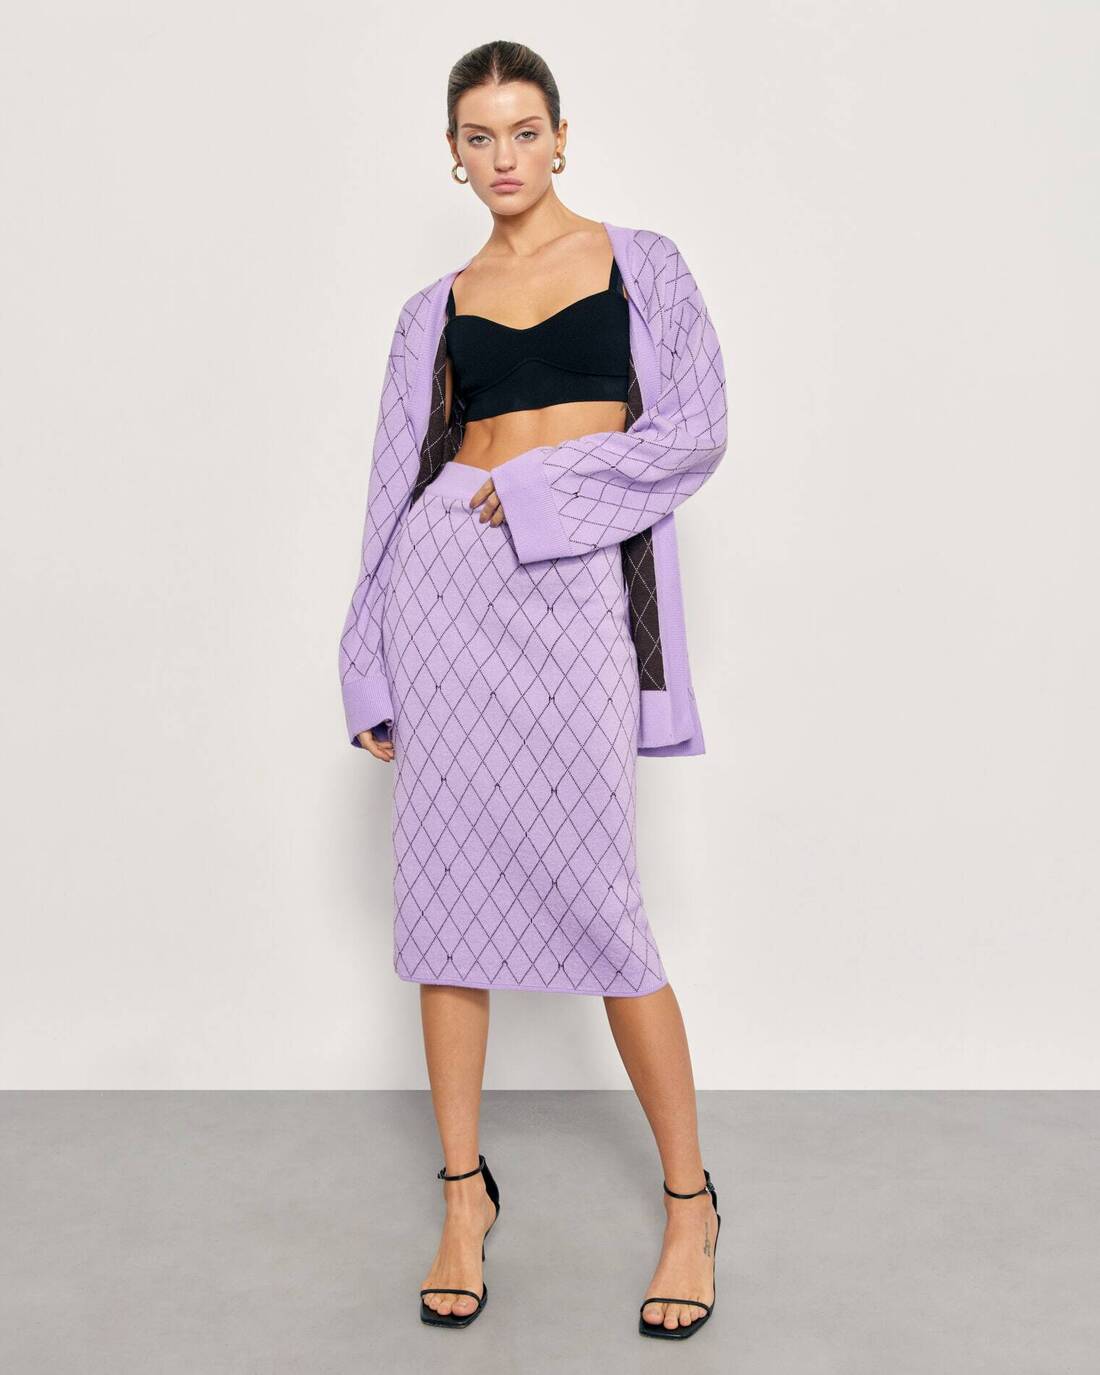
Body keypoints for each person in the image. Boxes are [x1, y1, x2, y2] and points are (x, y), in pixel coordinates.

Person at [337, 40, 728, 1338]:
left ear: (563, 136)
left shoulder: (642, 265)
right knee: (446, 901)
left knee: (606, 905)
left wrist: (549, 488)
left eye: (523, 130)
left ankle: (689, 1205)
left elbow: (694, 433)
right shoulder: (433, 308)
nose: (503, 156)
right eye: (478, 135)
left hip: (572, 594)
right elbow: (393, 485)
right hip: (445, 587)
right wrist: (367, 657)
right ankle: (463, 1198)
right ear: (453, 154)